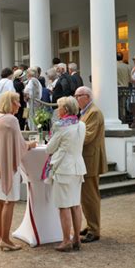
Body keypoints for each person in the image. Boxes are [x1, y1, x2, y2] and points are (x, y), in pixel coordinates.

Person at [0, 91, 37, 251]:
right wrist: (31, 144)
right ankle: (6, 239)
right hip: (8, 167)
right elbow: (20, 145)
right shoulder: (11, 120)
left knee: (0, 200)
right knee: (9, 201)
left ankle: (0, 235)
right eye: (17, 102)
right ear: (10, 103)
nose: (20, 105)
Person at [45, 96, 86, 252]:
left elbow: (49, 148)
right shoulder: (81, 125)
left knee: (64, 207)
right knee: (75, 204)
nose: (57, 109)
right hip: (78, 168)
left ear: (66, 109)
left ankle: (66, 240)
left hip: (64, 169)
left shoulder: (60, 126)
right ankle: (76, 238)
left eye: (59, 107)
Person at [74, 86, 108, 243]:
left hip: (90, 159)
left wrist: (69, 135)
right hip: (86, 158)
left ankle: (94, 230)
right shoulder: (85, 112)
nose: (76, 99)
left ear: (87, 96)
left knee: (90, 196)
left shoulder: (93, 112)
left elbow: (87, 136)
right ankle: (90, 225)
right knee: (86, 196)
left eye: (78, 96)